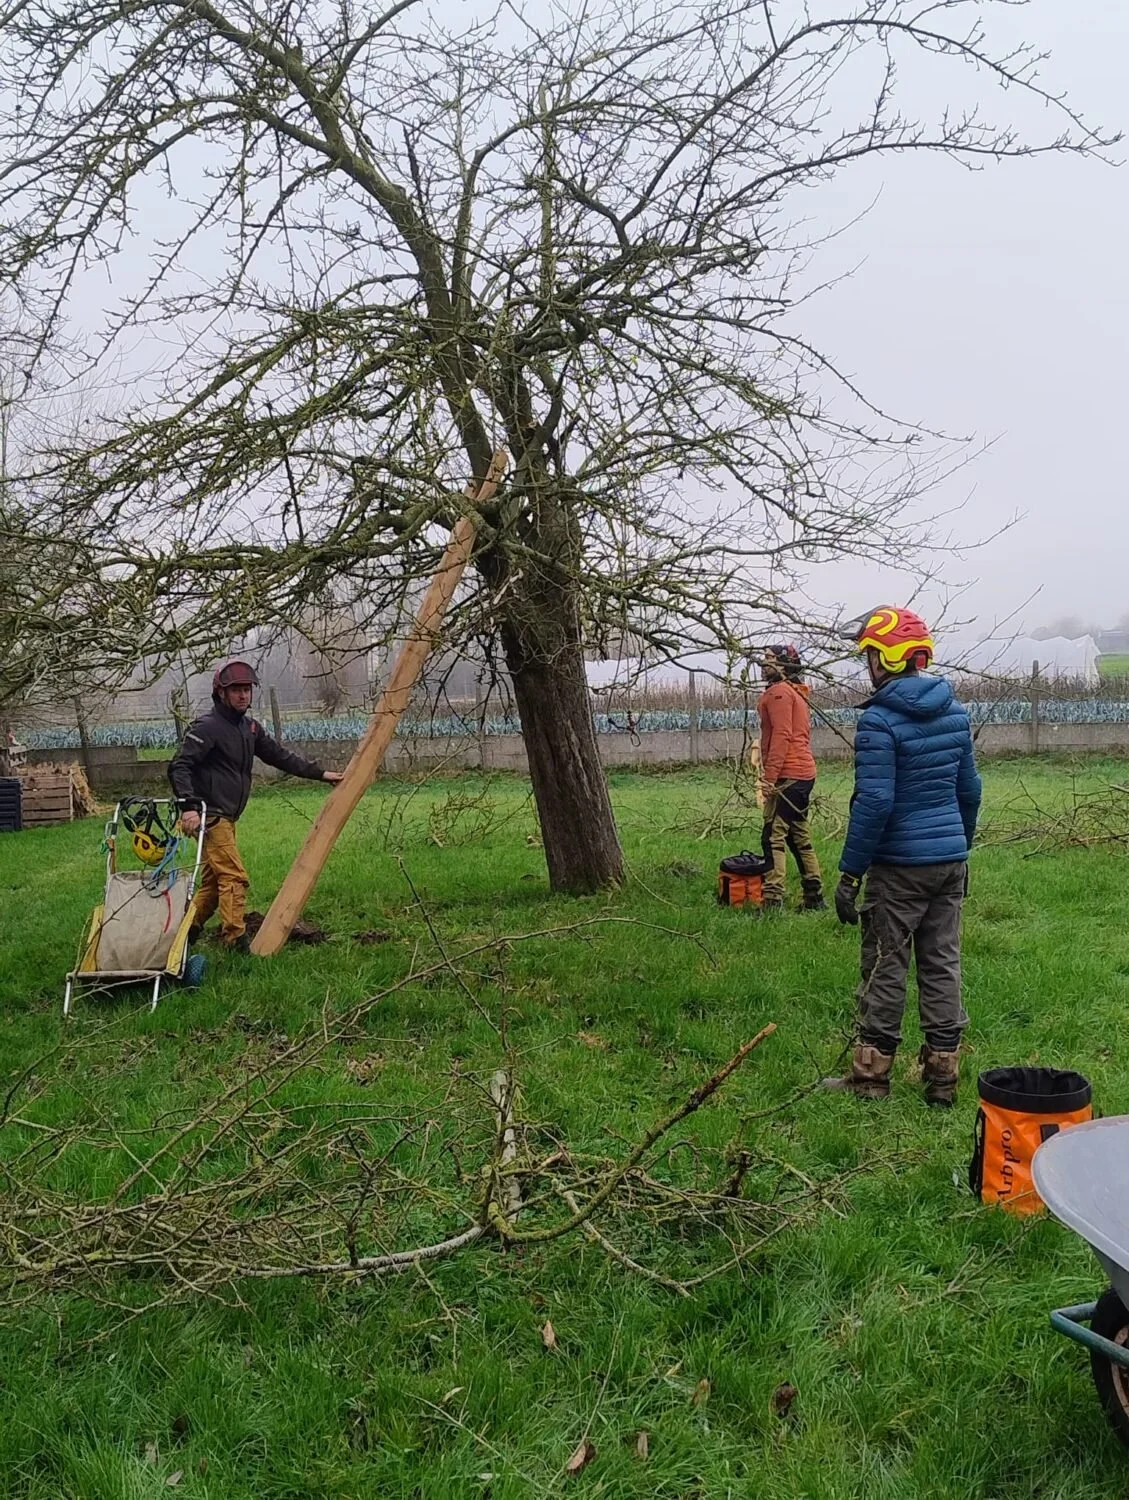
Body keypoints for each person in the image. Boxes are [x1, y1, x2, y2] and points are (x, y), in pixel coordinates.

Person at [828, 607, 981, 1106]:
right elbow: (970, 792)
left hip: (898, 868)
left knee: (885, 966)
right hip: (949, 860)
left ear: (885, 658)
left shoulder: (878, 721)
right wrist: (963, 850)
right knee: (942, 964)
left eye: (870, 654)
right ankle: (942, 1078)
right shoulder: (956, 714)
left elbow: (875, 802)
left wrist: (850, 873)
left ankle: (870, 1078)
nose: (867, 663)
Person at [169, 660, 343, 952]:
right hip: (210, 816)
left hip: (227, 817)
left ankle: (184, 934)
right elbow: (179, 766)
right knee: (234, 877)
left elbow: (279, 756)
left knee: (213, 886)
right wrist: (188, 808)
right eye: (235, 690)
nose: (242, 695)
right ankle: (234, 939)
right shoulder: (208, 727)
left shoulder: (249, 728)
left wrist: (321, 775)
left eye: (247, 690)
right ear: (221, 693)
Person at [757, 644, 825, 912]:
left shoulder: (780, 694)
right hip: (804, 774)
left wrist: (769, 778)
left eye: (769, 660)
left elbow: (782, 736)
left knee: (773, 835)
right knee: (798, 836)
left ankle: (772, 900)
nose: (763, 665)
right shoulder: (797, 692)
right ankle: (814, 897)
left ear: (784, 665)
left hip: (790, 775)